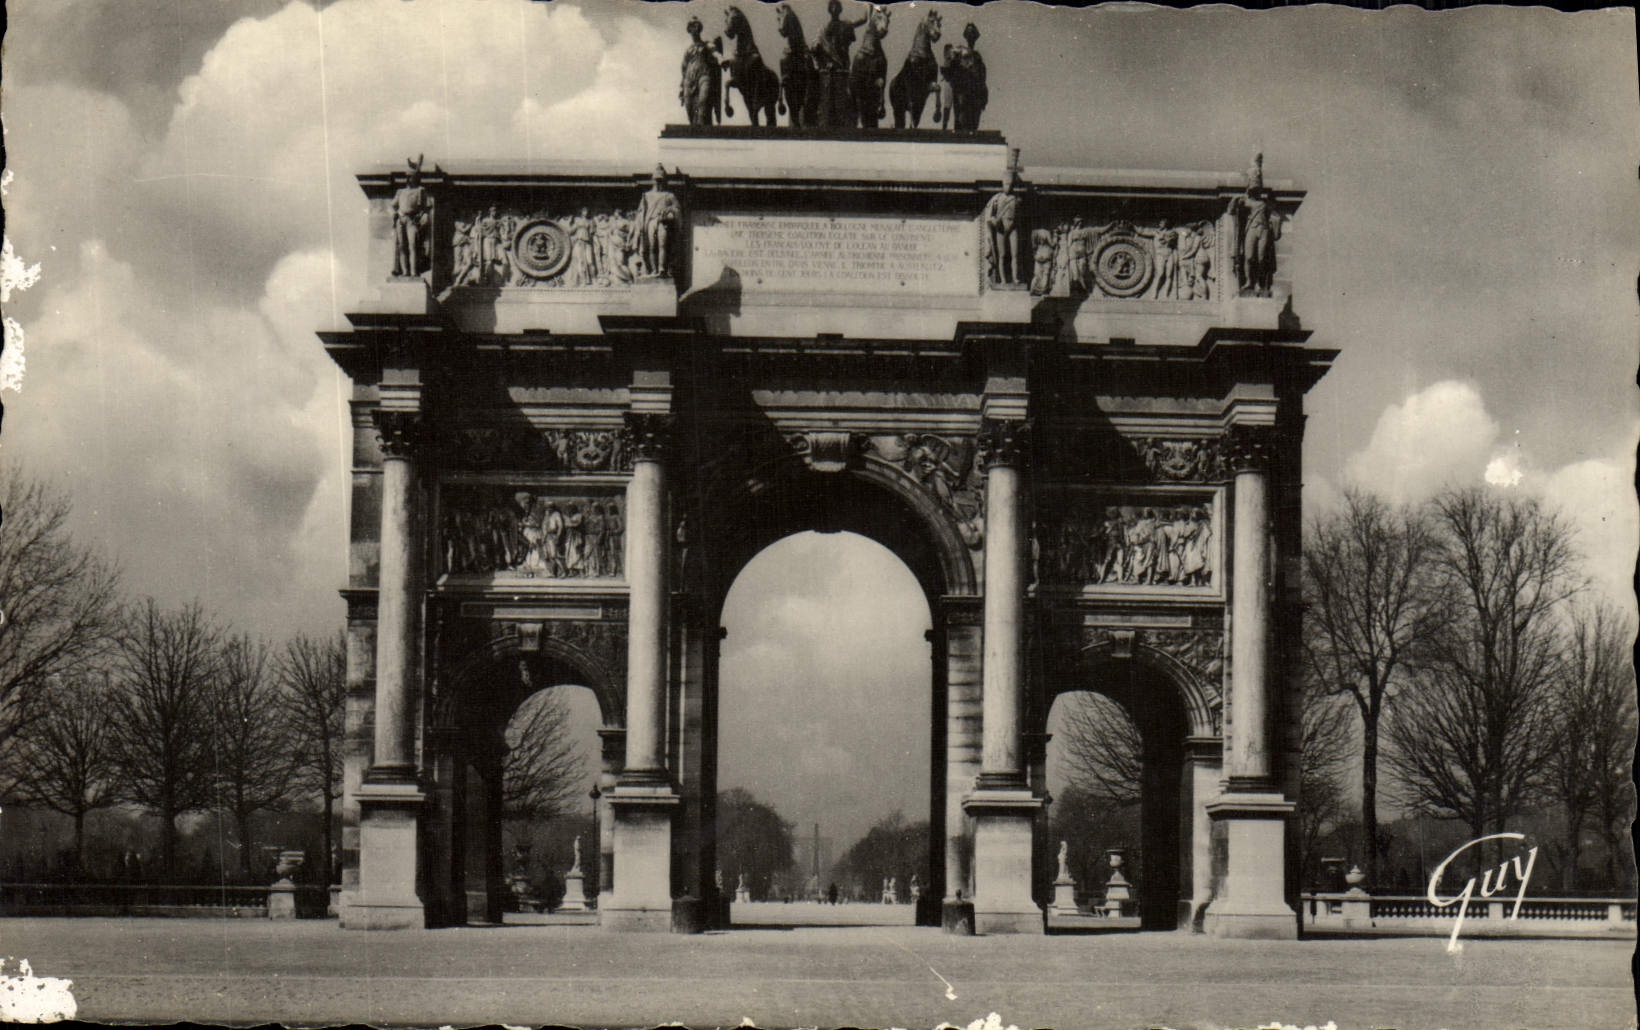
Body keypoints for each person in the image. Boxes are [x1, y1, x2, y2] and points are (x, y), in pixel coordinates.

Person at [636, 166, 683, 279]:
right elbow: (641, 212)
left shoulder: (669, 196)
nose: (658, 182)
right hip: (650, 222)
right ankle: (653, 269)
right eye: (657, 180)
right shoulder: (646, 195)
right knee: (651, 246)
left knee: (662, 245)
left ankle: (662, 268)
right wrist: (640, 226)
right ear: (653, 180)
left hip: (663, 222)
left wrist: (669, 213)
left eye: (661, 180)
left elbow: (677, 209)